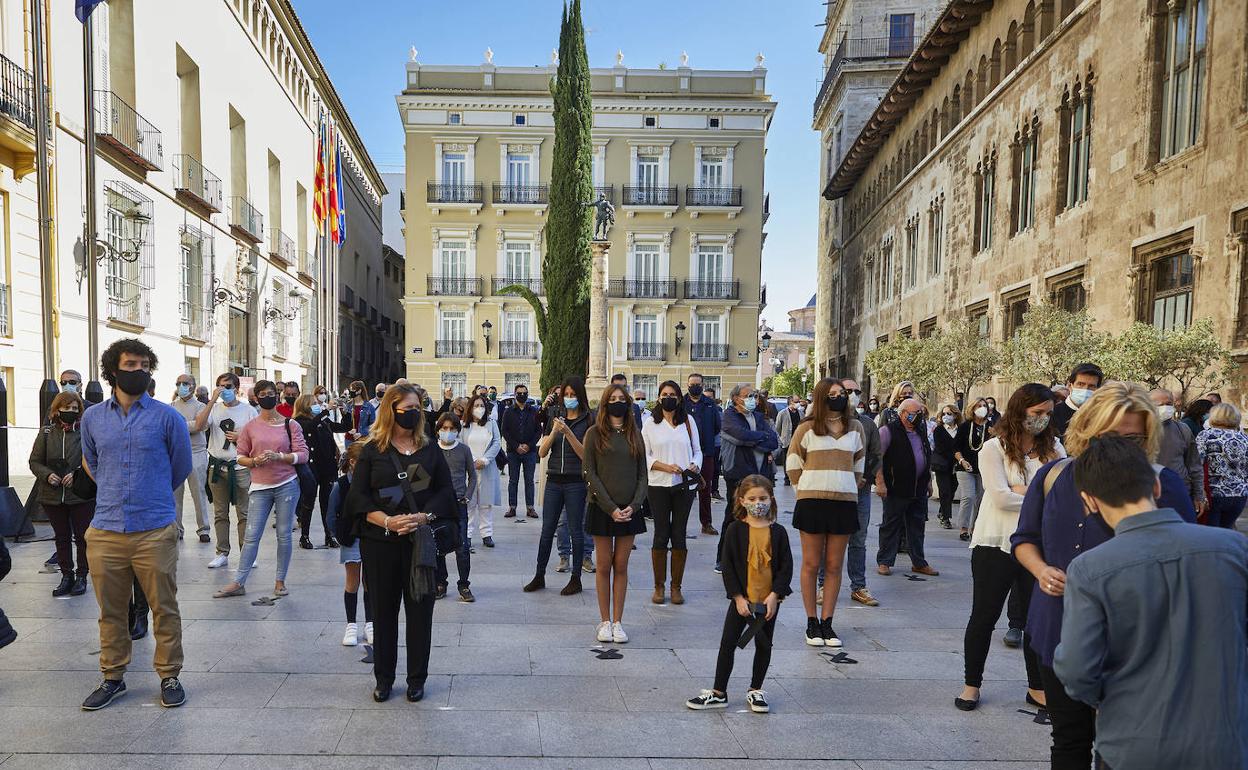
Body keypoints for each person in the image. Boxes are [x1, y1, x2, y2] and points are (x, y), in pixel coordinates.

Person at [1011, 381, 1197, 769]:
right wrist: (1042, 569)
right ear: (1087, 429)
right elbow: (1025, 539)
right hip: (1058, 626)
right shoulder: (1053, 475)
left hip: (1129, 638)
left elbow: (1180, 558)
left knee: (1120, 749)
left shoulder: (1161, 483)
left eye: (1133, 438)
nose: (1119, 446)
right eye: (1110, 435)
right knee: (1068, 740)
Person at [1054, 435, 1248, 770]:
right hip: (1226, 742)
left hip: (1133, 744)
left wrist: (1109, 699)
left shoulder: (1090, 569)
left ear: (1089, 501)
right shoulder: (1233, 548)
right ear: (1156, 486)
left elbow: (1076, 668)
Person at [79, 338, 193, 710]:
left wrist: (150, 494)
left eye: (144, 365)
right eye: (130, 365)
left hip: (154, 529)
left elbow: (180, 467)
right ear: (112, 370)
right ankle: (113, 676)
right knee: (111, 610)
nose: (138, 371)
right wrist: (116, 491)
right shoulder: (92, 417)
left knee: (164, 606)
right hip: (106, 529)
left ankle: (170, 674)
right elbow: (92, 462)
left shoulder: (168, 417)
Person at [344, 384, 455, 703]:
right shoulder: (372, 450)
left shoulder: (429, 449)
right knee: (384, 611)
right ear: (390, 409)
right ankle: (384, 678)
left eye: (416, 408)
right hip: (380, 542)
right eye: (406, 408)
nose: (412, 413)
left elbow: (445, 492)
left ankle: (417, 679)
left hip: (419, 543)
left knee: (420, 612)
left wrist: (422, 517)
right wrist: (388, 521)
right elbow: (358, 498)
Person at [956, 384, 1062, 713]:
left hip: (1037, 546)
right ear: (1020, 411)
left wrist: (1022, 490)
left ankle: (1037, 687)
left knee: (1036, 620)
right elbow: (999, 497)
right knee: (984, 617)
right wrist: (1037, 493)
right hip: (995, 543)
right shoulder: (993, 447)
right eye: (1036, 413)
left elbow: (1062, 494)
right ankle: (971, 684)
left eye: (1047, 413)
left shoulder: (1055, 447)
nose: (1043, 420)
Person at [685, 475, 792, 714]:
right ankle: (719, 692)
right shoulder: (735, 530)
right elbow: (728, 566)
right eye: (752, 498)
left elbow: (786, 567)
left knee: (764, 644)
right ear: (742, 500)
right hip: (741, 600)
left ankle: (756, 689)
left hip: (768, 601)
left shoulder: (779, 532)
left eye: (763, 498)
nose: (758, 503)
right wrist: (737, 597)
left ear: (771, 499)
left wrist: (775, 595)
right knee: (728, 643)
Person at [212, 380, 308, 599]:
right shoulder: (250, 427)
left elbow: (303, 454)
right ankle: (239, 582)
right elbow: (240, 456)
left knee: (284, 535)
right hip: (260, 486)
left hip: (286, 484)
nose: (267, 397)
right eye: (262, 394)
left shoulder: (290, 425)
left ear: (277, 395)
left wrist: (281, 457)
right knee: (252, 535)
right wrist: (254, 461)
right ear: (256, 397)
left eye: (271, 393)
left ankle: (280, 582)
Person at [787, 378, 864, 648]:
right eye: (832, 394)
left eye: (842, 393)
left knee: (834, 565)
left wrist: (847, 486)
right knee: (811, 564)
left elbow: (859, 464)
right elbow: (793, 462)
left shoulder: (855, 428)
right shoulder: (807, 428)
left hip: (843, 502)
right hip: (812, 501)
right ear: (822, 397)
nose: (839, 397)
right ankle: (811, 622)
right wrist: (803, 489)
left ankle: (827, 623)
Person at [582, 384, 648, 644]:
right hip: (602, 508)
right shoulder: (594, 433)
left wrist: (635, 504)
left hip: (630, 508)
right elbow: (589, 473)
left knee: (621, 564)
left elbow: (643, 473)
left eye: (622, 399)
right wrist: (610, 508)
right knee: (604, 564)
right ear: (606, 403)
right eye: (614, 399)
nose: (618, 402)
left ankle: (618, 621)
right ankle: (604, 621)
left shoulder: (635, 434)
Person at [526, 377, 593, 594]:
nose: (569, 398)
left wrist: (569, 434)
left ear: (580, 396)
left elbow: (586, 455)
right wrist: (555, 430)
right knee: (547, 531)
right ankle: (539, 575)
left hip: (575, 482)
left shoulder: (589, 419)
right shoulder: (555, 416)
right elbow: (542, 451)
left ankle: (576, 579)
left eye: (573, 395)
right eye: (566, 394)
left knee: (576, 530)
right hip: (554, 480)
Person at [642, 381, 701, 605]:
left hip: (684, 485)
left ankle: (676, 587)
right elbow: (643, 454)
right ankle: (659, 586)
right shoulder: (650, 424)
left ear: (679, 398)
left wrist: (695, 464)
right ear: (658, 398)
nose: (669, 398)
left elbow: (698, 450)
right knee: (660, 532)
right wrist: (664, 466)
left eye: (673, 395)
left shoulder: (688, 421)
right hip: (658, 484)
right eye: (665, 394)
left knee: (679, 532)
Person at [29, 390, 92, 597]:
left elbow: (93, 459)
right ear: (57, 410)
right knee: (61, 537)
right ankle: (67, 575)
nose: (71, 411)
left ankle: (82, 575)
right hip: (52, 495)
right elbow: (35, 461)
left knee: (83, 537)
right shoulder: (46, 433)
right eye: (67, 408)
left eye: (75, 408)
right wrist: (47, 475)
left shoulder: (85, 432)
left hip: (80, 494)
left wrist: (77, 474)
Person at [196, 373, 257, 569]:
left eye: (228, 386)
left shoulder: (249, 411)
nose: (224, 390)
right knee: (220, 512)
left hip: (239, 466)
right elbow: (200, 425)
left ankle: (247, 554)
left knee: (243, 513)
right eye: (220, 386)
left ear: (237, 388)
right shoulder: (213, 408)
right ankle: (222, 552)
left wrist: (241, 437)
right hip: (217, 466)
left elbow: (258, 439)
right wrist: (212, 399)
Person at [875, 398, 939, 577]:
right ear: (903, 414)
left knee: (917, 525)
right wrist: (880, 482)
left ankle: (919, 562)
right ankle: (885, 561)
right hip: (896, 488)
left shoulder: (920, 430)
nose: (918, 416)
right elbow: (877, 458)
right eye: (914, 413)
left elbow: (925, 455)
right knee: (891, 524)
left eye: (920, 413)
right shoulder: (888, 431)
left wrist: (927, 481)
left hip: (918, 488)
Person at [717, 385, 780, 569]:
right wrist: (761, 439)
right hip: (739, 474)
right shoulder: (729, 416)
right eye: (748, 396)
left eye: (754, 395)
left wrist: (753, 441)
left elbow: (773, 441)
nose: (753, 399)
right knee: (734, 516)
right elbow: (739, 435)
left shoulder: (760, 417)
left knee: (761, 517)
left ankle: (756, 556)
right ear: (736, 398)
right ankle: (723, 559)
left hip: (762, 474)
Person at [325, 442, 373, 645]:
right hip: (351, 537)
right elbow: (330, 516)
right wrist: (340, 535)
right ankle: (351, 625)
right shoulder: (341, 485)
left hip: (372, 537)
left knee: (370, 582)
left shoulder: (374, 483)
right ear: (352, 462)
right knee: (352, 581)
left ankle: (371, 623)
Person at [839, 378, 881, 607]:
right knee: (830, 539)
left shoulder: (867, 424)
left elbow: (876, 454)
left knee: (858, 539)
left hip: (861, 491)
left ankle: (858, 586)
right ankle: (824, 586)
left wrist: (868, 478)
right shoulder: (825, 422)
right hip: (835, 490)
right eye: (848, 391)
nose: (853, 395)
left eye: (856, 391)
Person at [435, 413, 475, 602]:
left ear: (458, 431)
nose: (448, 432)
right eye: (444, 428)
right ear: (438, 430)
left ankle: (464, 584)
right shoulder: (432, 450)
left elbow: (472, 476)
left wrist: (467, 496)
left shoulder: (464, 450)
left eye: (452, 429)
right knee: (438, 546)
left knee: (462, 546)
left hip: (459, 504)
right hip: (437, 506)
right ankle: (440, 582)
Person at [294, 394, 341, 548]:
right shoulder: (299, 421)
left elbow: (340, 427)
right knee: (309, 501)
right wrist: (325, 411)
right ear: (305, 405)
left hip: (326, 465)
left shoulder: (322, 419)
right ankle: (305, 536)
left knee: (327, 502)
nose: (317, 405)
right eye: (313, 403)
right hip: (311, 466)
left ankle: (330, 535)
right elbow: (309, 427)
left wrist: (345, 412)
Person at [1150, 388, 1205, 513]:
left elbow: (1194, 465)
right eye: (1160, 405)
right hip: (1149, 496)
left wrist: (1199, 495)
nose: (1165, 408)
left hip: (1180, 493)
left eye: (1169, 404)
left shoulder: (1183, 429)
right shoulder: (1139, 429)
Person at [1195, 403, 1248, 529]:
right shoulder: (1244, 438)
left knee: (1212, 535)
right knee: (1227, 531)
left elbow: (1197, 465)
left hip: (1214, 494)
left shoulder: (1205, 436)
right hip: (1239, 495)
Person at [171, 374, 210, 543]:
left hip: (197, 453)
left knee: (198, 493)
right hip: (175, 454)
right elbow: (168, 427)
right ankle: (177, 528)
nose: (181, 386)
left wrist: (179, 426)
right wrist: (190, 425)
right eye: (178, 383)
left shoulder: (201, 406)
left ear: (193, 386)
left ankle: (203, 529)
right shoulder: (171, 406)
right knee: (175, 495)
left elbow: (200, 425)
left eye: (185, 383)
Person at [462, 393, 502, 548]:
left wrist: (485, 460)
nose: (479, 409)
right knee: (469, 503)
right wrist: (471, 461)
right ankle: (468, 534)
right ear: (470, 408)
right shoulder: (464, 425)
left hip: (486, 467)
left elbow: (497, 443)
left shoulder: (491, 423)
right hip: (469, 469)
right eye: (476, 405)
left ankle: (487, 534)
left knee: (485, 504)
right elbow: (461, 444)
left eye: (482, 406)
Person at [685, 373, 723, 535]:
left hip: (706, 453)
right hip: (685, 454)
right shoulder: (681, 403)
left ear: (702, 384)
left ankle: (706, 523)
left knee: (705, 490)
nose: (695, 386)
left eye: (698, 384)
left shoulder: (709, 404)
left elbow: (716, 426)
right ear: (687, 385)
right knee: (683, 492)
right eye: (692, 384)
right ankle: (681, 526)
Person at [500, 383, 541, 520]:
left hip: (530, 451)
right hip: (513, 451)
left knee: (529, 480)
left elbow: (538, 431)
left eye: (524, 393)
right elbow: (504, 431)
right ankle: (512, 507)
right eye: (519, 393)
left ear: (527, 394)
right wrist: (516, 445)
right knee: (513, 480)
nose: (522, 395)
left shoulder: (533, 411)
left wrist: (529, 445)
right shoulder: (508, 411)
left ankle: (530, 507)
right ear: (515, 394)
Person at [953, 397, 990, 541]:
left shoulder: (991, 427)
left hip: (984, 469)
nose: (982, 408)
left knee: (981, 499)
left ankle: (976, 527)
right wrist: (962, 460)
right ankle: (963, 528)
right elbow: (955, 447)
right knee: (968, 496)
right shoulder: (966, 426)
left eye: (984, 405)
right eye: (979, 405)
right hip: (965, 467)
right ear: (973, 409)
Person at [1049, 362, 1103, 440]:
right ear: (1070, 386)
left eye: (1091, 386)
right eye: (1080, 384)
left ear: (1098, 390)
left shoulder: (1102, 417)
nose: (1085, 389)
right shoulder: (1052, 414)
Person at [932, 404, 961, 530]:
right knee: (944, 491)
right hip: (942, 465)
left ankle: (942, 511)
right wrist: (955, 456)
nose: (946, 416)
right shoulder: (939, 430)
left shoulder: (960, 430)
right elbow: (940, 447)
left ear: (955, 415)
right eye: (944, 414)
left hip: (957, 466)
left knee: (952, 490)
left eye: (949, 414)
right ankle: (946, 517)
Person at [775, 396, 803, 486]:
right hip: (787, 441)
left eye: (798, 401)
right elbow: (777, 428)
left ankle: (797, 478)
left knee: (798, 460)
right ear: (791, 402)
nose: (798, 403)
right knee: (786, 460)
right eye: (796, 401)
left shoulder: (801, 413)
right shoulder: (782, 413)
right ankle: (787, 479)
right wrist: (782, 438)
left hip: (798, 441)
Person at [345, 380, 376, 446]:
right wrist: (348, 429)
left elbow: (373, 425)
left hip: (362, 440)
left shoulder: (369, 407)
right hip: (349, 439)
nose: (351, 391)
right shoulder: (348, 405)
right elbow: (344, 422)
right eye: (350, 389)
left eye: (353, 389)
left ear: (359, 391)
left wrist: (361, 433)